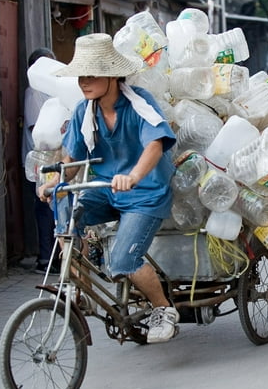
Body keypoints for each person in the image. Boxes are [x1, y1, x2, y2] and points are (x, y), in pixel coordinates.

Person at [37, 33, 179, 343]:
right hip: (105, 191)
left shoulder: (138, 103)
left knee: (123, 261)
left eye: (92, 75)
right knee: (63, 197)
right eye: (81, 76)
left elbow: (155, 145)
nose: (84, 82)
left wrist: (134, 176)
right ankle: (78, 277)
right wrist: (54, 180)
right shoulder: (83, 112)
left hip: (145, 194)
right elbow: (72, 159)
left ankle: (163, 309)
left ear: (112, 76)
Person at [23, 47, 59, 274]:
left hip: (56, 159)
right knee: (45, 209)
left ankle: (55, 257)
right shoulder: (34, 93)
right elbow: (41, 131)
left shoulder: (50, 91)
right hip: (40, 161)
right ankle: (45, 260)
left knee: (55, 208)